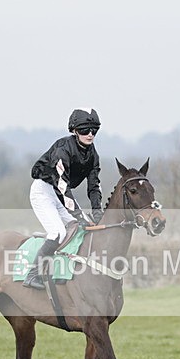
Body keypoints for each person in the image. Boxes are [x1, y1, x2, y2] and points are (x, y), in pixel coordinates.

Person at [23, 108, 104, 290]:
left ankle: (62, 272)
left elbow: (94, 186)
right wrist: (79, 215)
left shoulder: (93, 155)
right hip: (44, 192)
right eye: (85, 130)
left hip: (60, 195)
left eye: (94, 130)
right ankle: (32, 274)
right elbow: (62, 188)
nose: (90, 134)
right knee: (58, 233)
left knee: (81, 230)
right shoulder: (62, 150)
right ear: (75, 130)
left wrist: (97, 212)